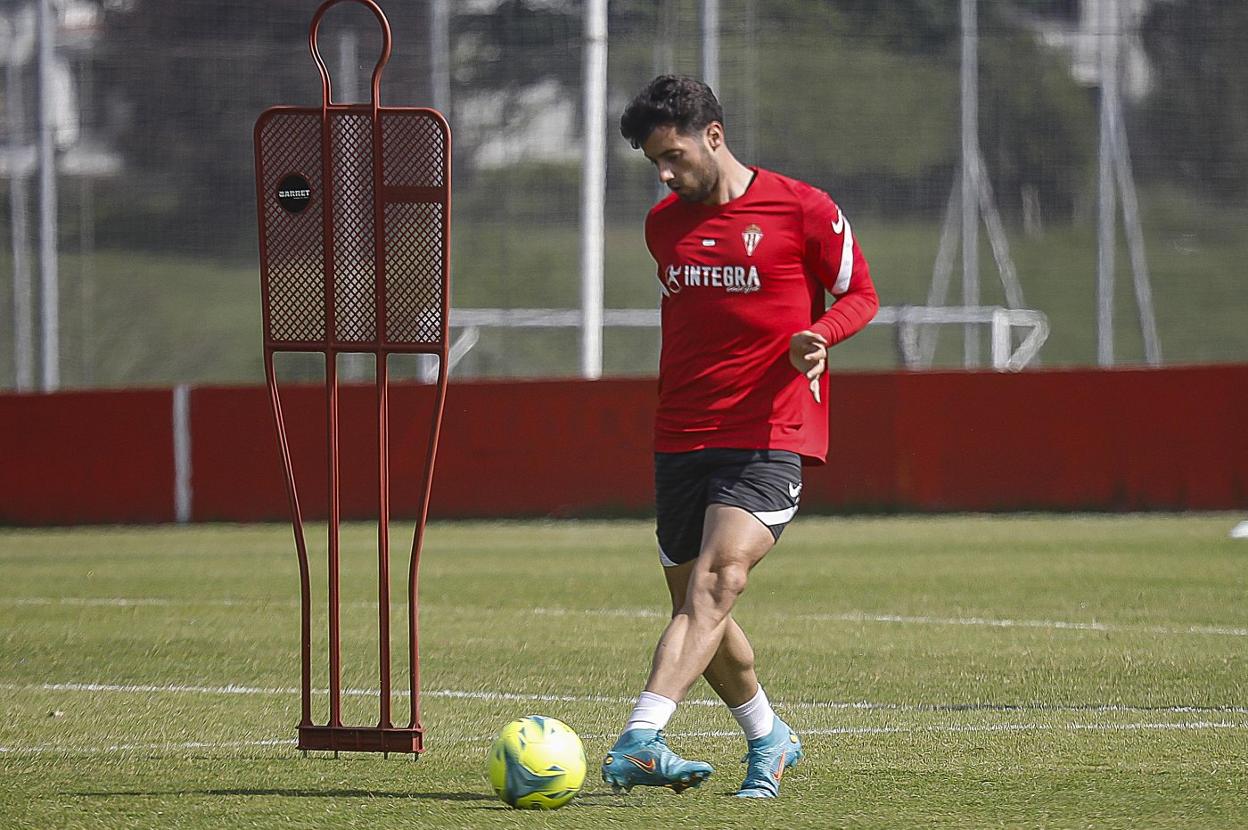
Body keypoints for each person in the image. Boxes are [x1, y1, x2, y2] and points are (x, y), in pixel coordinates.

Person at [601, 75, 880, 799]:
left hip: (768, 433)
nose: (663, 174)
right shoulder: (663, 225)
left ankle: (641, 735)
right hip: (681, 437)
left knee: (718, 581)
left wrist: (821, 334)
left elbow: (862, 294)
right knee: (700, 613)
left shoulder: (802, 208)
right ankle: (769, 737)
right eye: (653, 163)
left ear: (713, 137)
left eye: (672, 156)